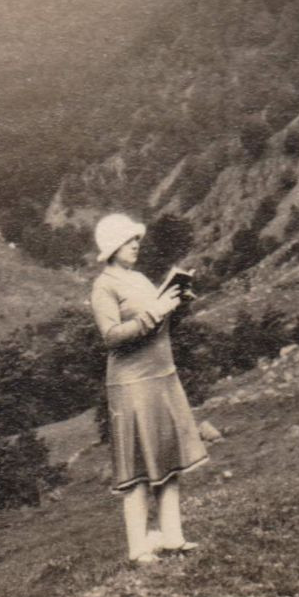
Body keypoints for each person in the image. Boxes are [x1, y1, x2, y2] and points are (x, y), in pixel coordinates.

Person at [89, 213, 209, 563]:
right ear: (112, 247)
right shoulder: (103, 286)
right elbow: (111, 336)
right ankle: (138, 548)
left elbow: (154, 321)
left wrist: (176, 303)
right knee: (138, 467)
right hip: (132, 383)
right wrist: (156, 311)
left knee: (168, 459)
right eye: (129, 241)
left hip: (161, 375)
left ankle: (172, 538)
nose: (136, 245)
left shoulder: (139, 278)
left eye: (137, 240)